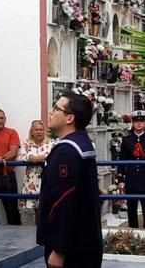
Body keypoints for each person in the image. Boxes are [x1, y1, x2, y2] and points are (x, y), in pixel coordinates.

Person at [37, 92, 102, 268]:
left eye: (56, 108)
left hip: (73, 250)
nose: (51, 112)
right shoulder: (81, 143)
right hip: (84, 242)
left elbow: (64, 201)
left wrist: (59, 250)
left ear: (69, 118)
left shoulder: (67, 152)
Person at [17, 120, 55, 217]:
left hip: (47, 178)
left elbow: (55, 156)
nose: (38, 132)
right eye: (36, 129)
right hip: (32, 180)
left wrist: (41, 158)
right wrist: (30, 157)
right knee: (37, 210)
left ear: (44, 131)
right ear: (32, 132)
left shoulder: (51, 143)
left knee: (47, 208)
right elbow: (20, 157)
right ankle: (40, 230)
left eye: (41, 129)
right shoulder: (27, 143)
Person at [0, 109, 22, 225]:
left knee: (12, 210)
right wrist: (1, 159)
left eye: (1, 118)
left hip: (8, 176)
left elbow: (13, 152)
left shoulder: (12, 132)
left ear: (5, 119)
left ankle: (16, 239)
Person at [119, 110, 145, 228]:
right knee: (132, 211)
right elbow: (122, 160)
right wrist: (120, 179)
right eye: (136, 121)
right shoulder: (127, 140)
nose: (139, 124)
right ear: (132, 123)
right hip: (131, 180)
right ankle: (133, 238)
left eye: (142, 121)